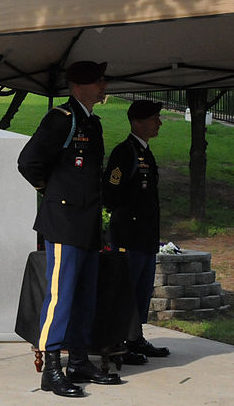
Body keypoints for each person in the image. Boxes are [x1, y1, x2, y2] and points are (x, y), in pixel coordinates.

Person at [18, 60, 122, 398]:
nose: (104, 85)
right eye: (98, 81)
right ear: (79, 85)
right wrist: (53, 193)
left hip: (88, 223)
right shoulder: (60, 119)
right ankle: (52, 369)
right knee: (60, 296)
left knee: (84, 295)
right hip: (64, 221)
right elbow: (28, 161)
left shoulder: (92, 122)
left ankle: (79, 361)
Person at [103, 100, 171, 363]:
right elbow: (111, 190)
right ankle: (120, 341)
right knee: (126, 290)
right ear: (138, 122)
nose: (159, 123)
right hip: (128, 237)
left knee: (142, 290)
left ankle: (135, 337)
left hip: (145, 237)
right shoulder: (124, 153)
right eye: (155, 118)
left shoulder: (145, 153)